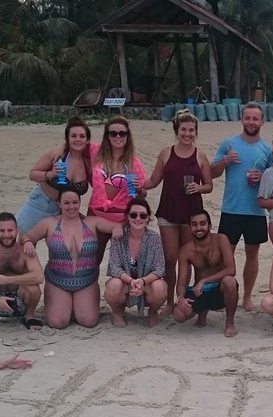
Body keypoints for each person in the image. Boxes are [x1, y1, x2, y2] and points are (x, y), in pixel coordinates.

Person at [140, 109, 212, 315]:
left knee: (190, 259)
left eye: (191, 130)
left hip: (193, 215)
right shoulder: (166, 153)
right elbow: (153, 181)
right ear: (176, 131)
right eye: (184, 130)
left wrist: (199, 188)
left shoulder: (200, 156)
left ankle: (189, 300)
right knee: (170, 259)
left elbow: (209, 185)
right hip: (169, 212)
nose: (188, 134)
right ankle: (170, 301)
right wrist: (137, 184)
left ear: (196, 132)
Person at [22, 190, 123, 329]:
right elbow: (26, 236)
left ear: (80, 203)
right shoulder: (49, 223)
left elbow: (116, 225)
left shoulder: (92, 222)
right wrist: (27, 242)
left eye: (75, 202)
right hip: (57, 280)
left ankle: (76, 305)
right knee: (57, 323)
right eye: (66, 203)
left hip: (86, 281)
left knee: (88, 321)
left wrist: (117, 228)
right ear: (59, 204)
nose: (71, 207)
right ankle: (65, 304)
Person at [210, 102, 272, 311]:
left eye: (255, 119)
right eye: (248, 118)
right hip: (231, 209)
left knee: (252, 254)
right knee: (225, 255)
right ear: (242, 119)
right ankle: (224, 295)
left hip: (255, 210)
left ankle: (246, 297)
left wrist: (262, 177)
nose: (251, 122)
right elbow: (212, 173)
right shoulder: (229, 144)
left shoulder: (267, 149)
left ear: (262, 122)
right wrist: (225, 161)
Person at [16, 117, 92, 240]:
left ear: (87, 139)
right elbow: (32, 174)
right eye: (73, 136)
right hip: (41, 204)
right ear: (67, 139)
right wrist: (50, 174)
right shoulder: (57, 155)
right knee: (25, 243)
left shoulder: (88, 161)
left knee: (62, 252)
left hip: (66, 210)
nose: (78, 139)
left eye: (82, 136)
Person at [88, 115, 146, 268]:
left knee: (124, 264)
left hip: (122, 219)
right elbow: (73, 144)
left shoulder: (134, 163)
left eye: (122, 133)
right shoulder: (95, 152)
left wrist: (139, 189)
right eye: (113, 133)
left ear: (128, 136)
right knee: (91, 260)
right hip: (96, 215)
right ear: (107, 136)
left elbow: (141, 196)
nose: (118, 136)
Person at [173, 209, 239, 338]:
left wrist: (203, 281)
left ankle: (230, 322)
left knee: (229, 281)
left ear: (209, 225)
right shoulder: (186, 250)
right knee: (178, 315)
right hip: (200, 292)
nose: (199, 228)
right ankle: (202, 313)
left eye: (202, 223)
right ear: (190, 227)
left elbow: (231, 269)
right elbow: (181, 281)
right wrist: (180, 298)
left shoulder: (221, 239)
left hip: (219, 289)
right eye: (194, 224)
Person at [103, 199, 168, 328]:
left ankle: (153, 312)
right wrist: (131, 281)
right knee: (113, 285)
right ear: (127, 216)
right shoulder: (119, 236)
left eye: (143, 215)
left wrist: (142, 281)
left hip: (146, 284)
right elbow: (114, 267)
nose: (138, 218)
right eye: (133, 215)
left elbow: (160, 269)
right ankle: (117, 312)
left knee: (160, 287)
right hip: (125, 284)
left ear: (148, 218)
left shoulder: (154, 238)